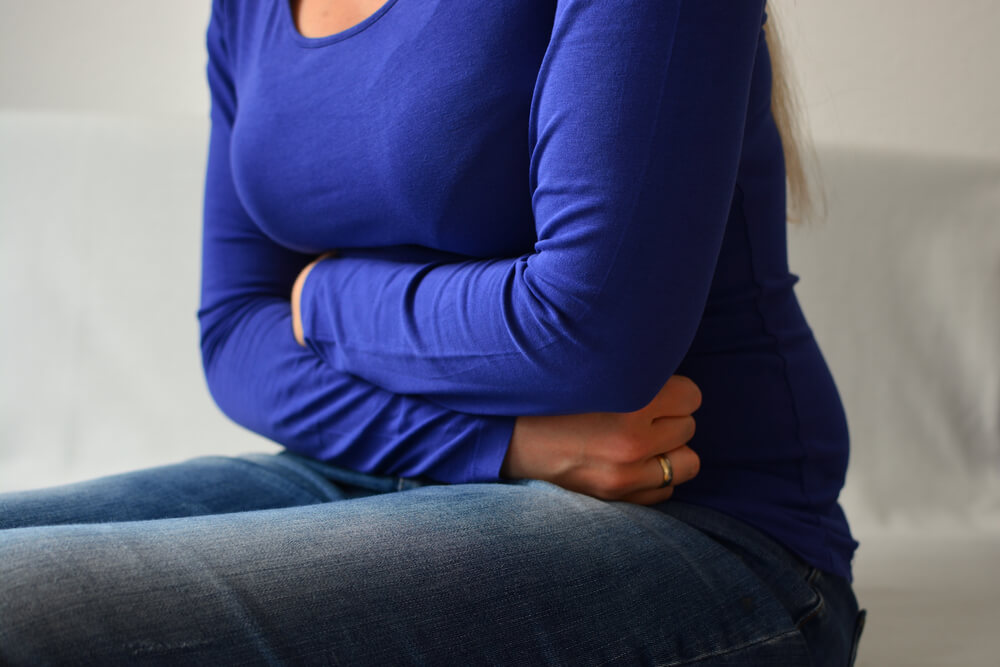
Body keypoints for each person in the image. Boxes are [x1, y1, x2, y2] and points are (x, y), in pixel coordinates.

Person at [0, 0, 866, 664]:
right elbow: (233, 340)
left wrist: (327, 297)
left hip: (701, 528)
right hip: (366, 464)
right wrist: (507, 444)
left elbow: (587, 331)